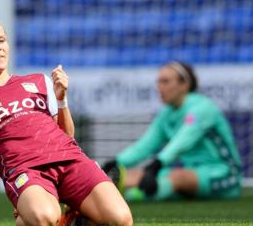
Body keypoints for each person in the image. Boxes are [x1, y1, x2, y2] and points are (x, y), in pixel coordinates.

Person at [0, 15, 132, 226]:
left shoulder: (38, 81)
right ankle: (31, 211)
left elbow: (67, 135)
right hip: (25, 170)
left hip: (69, 159)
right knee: (44, 219)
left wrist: (61, 100)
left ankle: (70, 216)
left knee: (121, 219)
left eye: (1, 40)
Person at [102, 61, 242, 202]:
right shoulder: (166, 113)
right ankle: (129, 195)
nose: (159, 87)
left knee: (177, 176)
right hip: (193, 173)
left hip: (224, 175)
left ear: (184, 85)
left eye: (166, 82)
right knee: (132, 175)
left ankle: (141, 195)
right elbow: (145, 145)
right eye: (158, 82)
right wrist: (117, 162)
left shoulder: (203, 108)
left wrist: (157, 164)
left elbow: (182, 141)